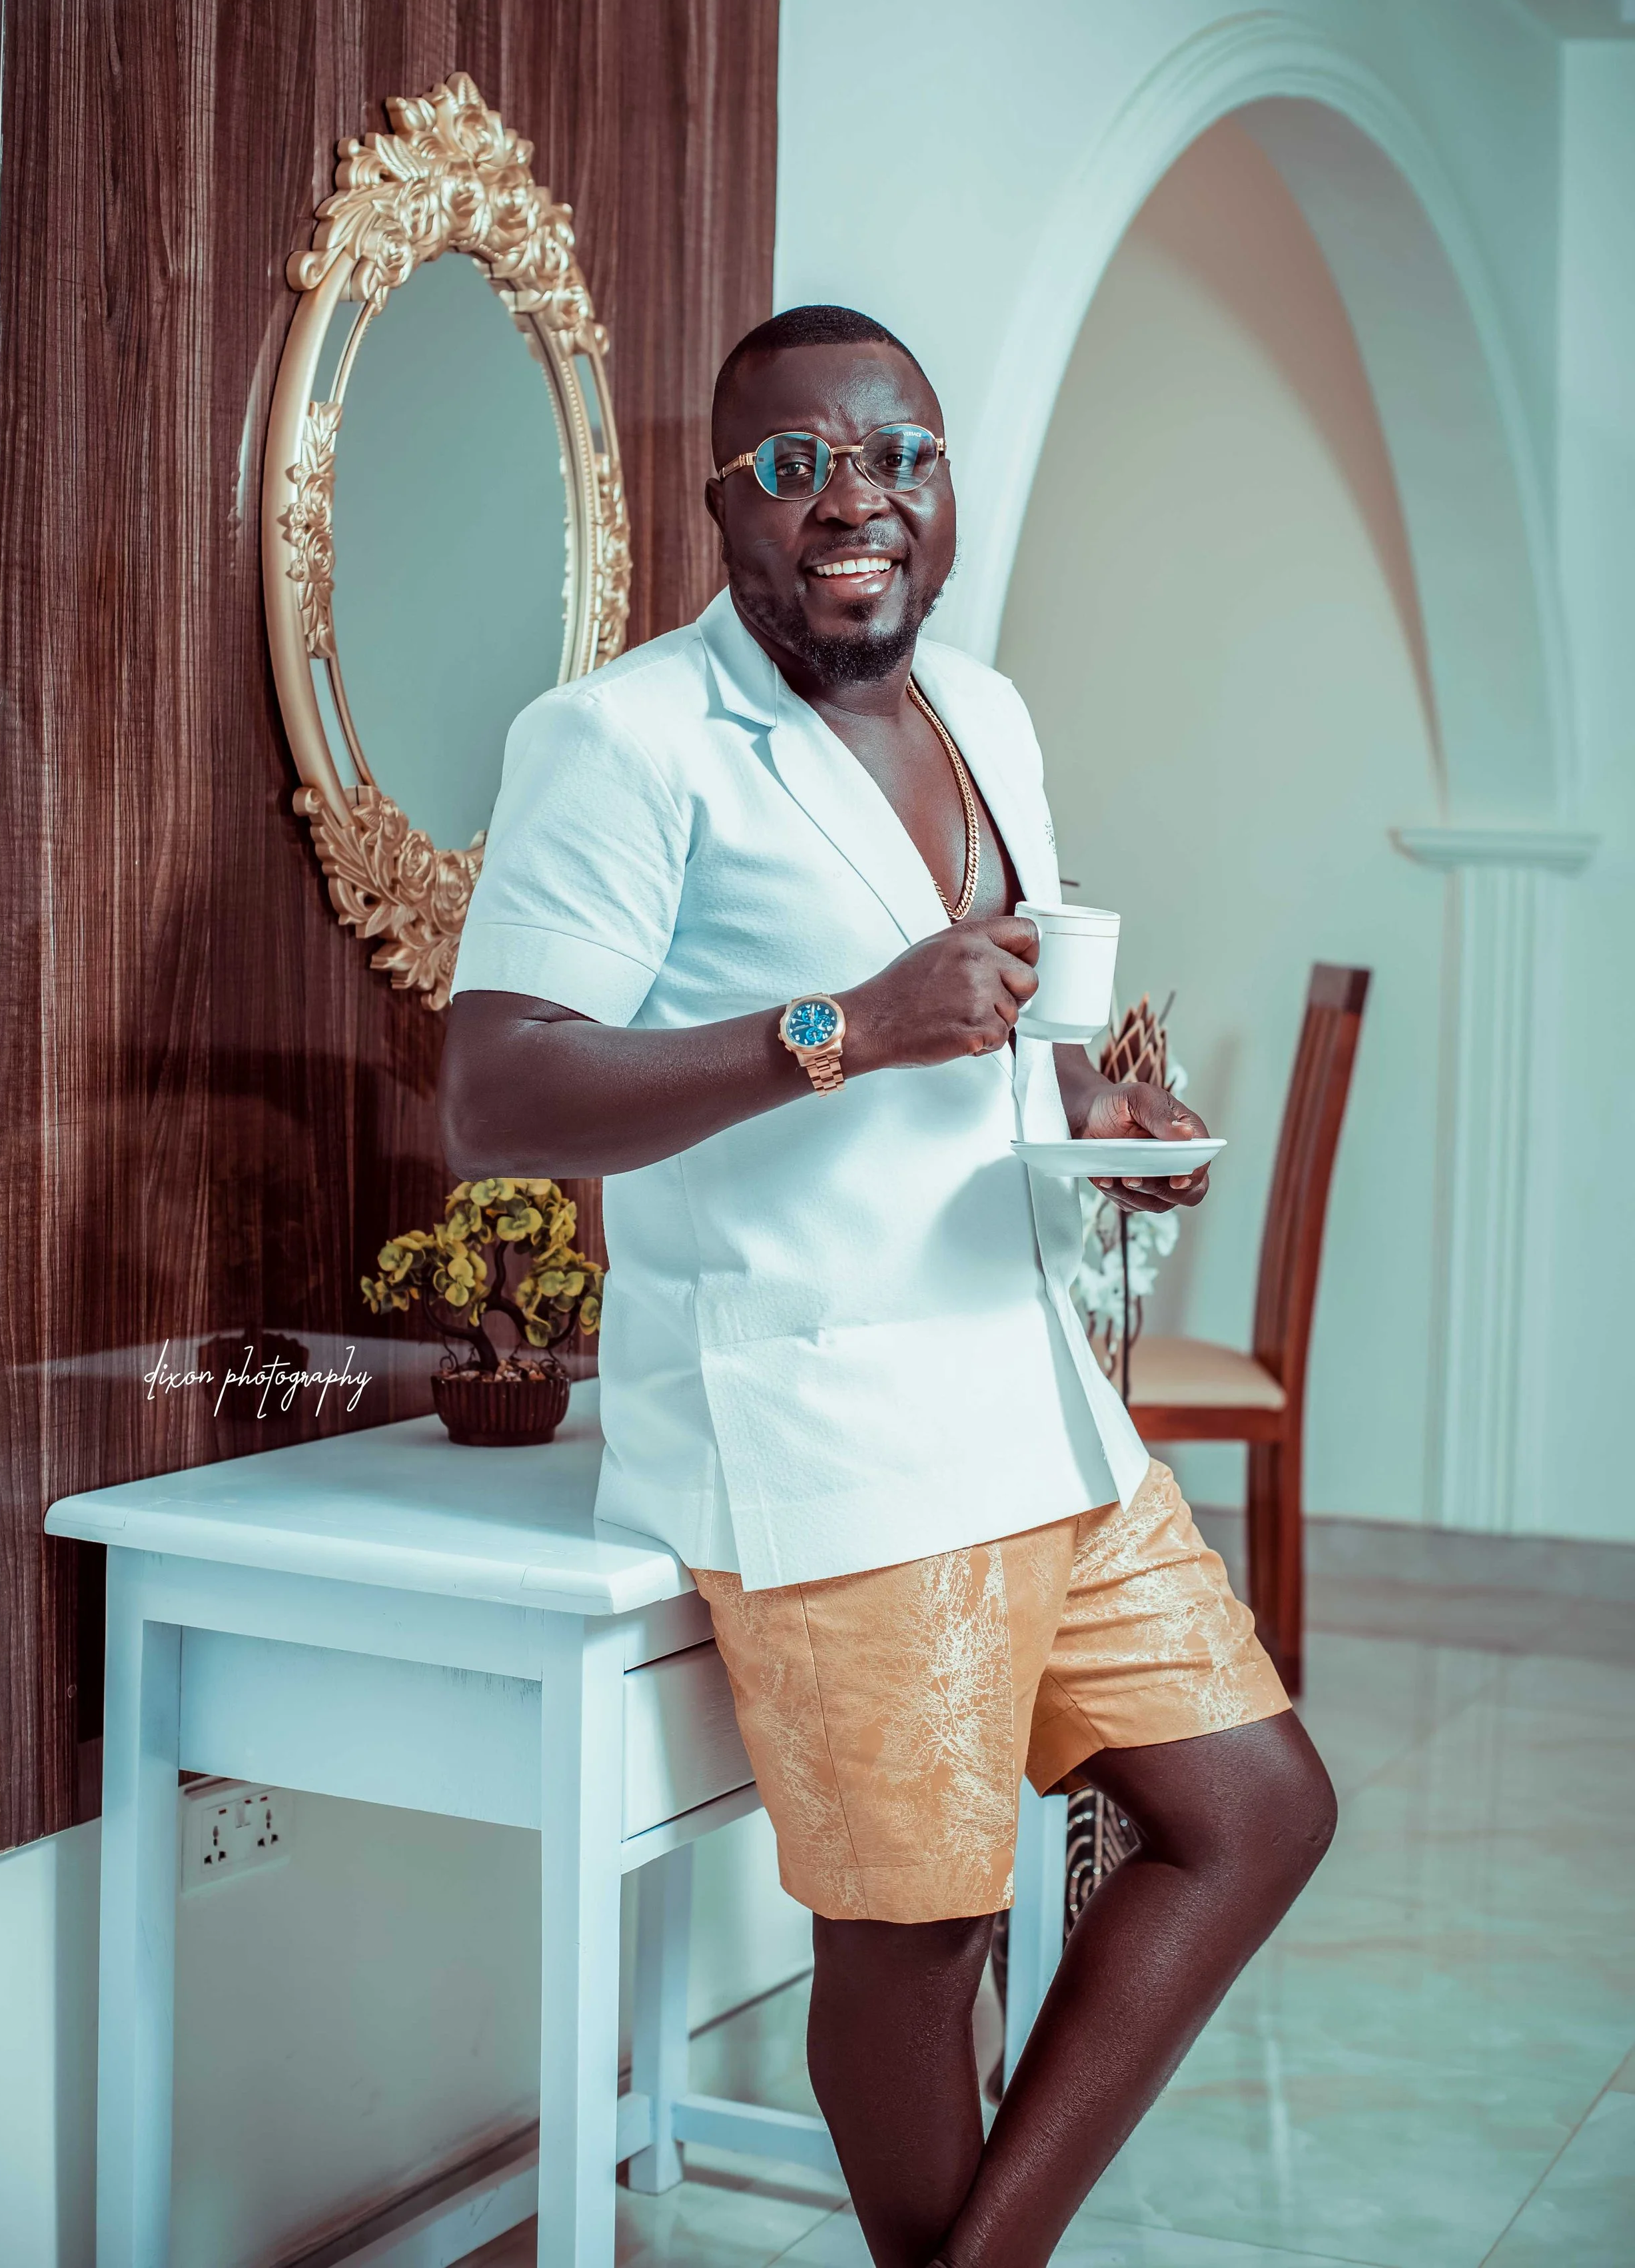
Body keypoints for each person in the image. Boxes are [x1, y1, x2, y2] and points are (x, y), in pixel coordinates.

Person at [440, 305, 1337, 2268]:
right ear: (721, 506)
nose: (852, 503)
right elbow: (496, 1094)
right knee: (919, 1926)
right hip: (822, 1424)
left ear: (945, 486)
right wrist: (839, 1024)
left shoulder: (982, 714)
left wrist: (1104, 1101)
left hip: (1032, 1398)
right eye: (794, 466)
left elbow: (1002, 1035)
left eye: (897, 458)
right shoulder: (618, 739)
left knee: (1255, 1807)